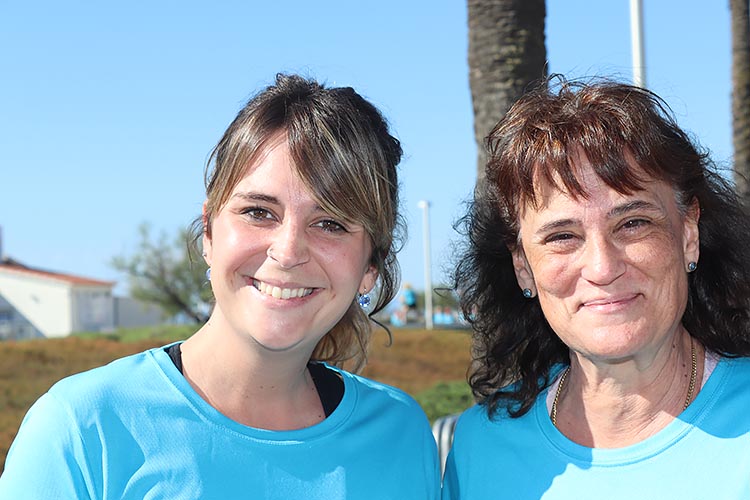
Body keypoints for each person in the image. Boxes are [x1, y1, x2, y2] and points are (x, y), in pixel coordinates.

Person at [0, 74, 440, 499]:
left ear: (370, 266)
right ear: (209, 232)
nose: (288, 252)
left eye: (330, 224)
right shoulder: (82, 430)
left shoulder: (400, 435)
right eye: (259, 212)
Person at [443, 77, 750, 499]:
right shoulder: (480, 448)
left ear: (688, 235)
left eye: (633, 223)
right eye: (562, 236)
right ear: (523, 267)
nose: (603, 268)